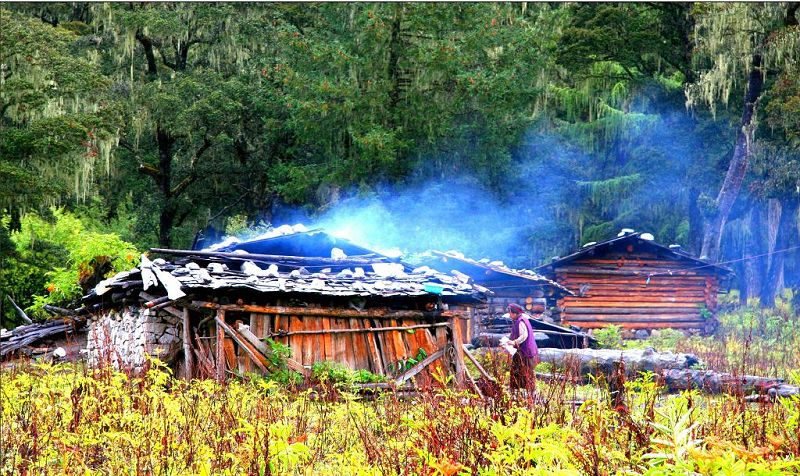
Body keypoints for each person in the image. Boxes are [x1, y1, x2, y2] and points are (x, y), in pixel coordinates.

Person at [507, 303, 539, 390]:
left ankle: (526, 392)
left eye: (510, 313)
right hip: (524, 351)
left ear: (514, 313)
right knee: (522, 371)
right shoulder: (520, 320)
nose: (509, 315)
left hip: (525, 351)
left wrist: (514, 342)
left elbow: (524, 335)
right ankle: (522, 392)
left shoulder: (521, 321)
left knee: (523, 371)